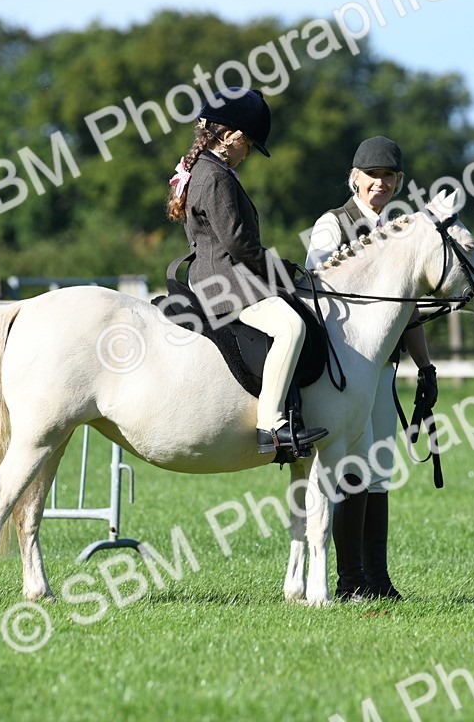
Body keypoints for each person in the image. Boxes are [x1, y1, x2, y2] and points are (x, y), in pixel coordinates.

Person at [304, 136, 438, 601]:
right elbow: (318, 291)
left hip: (382, 370)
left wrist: (425, 367)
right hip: (343, 372)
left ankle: (376, 580)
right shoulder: (332, 224)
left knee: (377, 470)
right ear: (355, 178)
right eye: (373, 175)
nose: (381, 183)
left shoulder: (402, 232)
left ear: (398, 182)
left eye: (390, 177)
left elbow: (410, 310)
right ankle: (349, 581)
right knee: (351, 470)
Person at [167, 88, 328, 456]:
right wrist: (281, 272)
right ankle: (271, 424)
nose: (249, 153)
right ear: (231, 137)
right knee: (291, 326)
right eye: (249, 145)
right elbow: (239, 244)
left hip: (218, 273)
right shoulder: (215, 176)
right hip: (223, 281)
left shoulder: (205, 169)